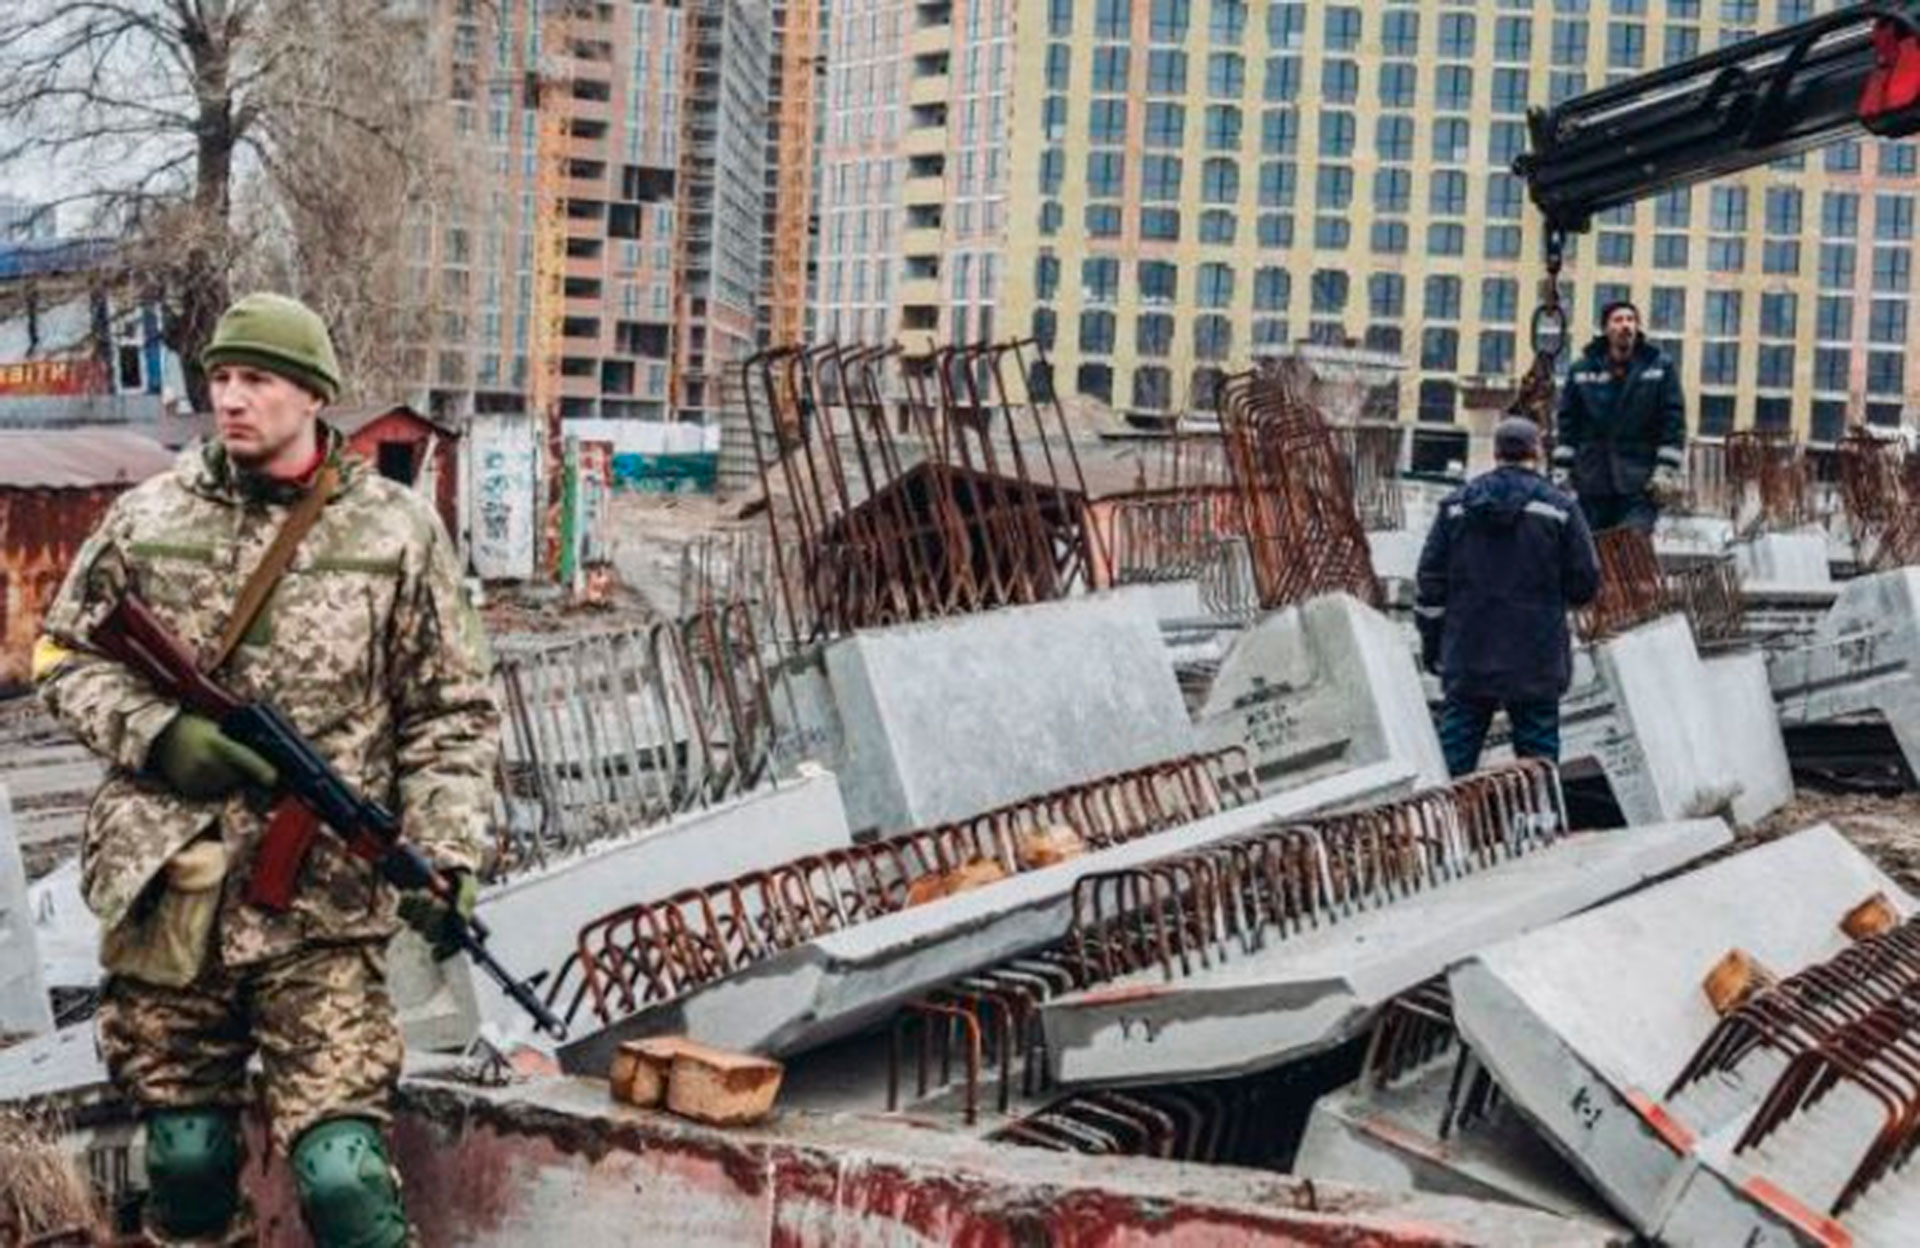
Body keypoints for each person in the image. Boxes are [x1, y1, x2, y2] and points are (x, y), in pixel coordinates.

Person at [33, 293, 499, 1247]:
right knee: (186, 1158)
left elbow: (451, 712)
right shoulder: (148, 516)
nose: (233, 398)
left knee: (344, 1179)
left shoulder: (396, 532)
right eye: (223, 378)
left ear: (315, 395)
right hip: (175, 894)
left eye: (259, 380)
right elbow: (60, 656)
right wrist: (161, 735)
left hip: (320, 912)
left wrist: (446, 854)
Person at [1417, 417, 1601, 778]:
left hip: (1468, 652)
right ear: (1537, 451)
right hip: (1536, 655)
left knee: (1453, 760)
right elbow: (1585, 582)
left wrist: (1434, 647)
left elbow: (1430, 584)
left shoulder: (1455, 507)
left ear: (1496, 452)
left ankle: (1445, 814)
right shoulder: (1559, 508)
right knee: (1539, 762)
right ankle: (1541, 811)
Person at [1551, 299, 1688, 533]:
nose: (1626, 325)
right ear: (1606, 328)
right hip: (1592, 481)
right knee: (1590, 546)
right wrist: (1562, 470)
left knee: (1631, 545)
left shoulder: (1659, 367)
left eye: (1631, 320)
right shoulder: (1582, 370)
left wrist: (1666, 470)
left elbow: (1673, 422)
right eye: (1618, 320)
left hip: (1640, 483)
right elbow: (1567, 425)